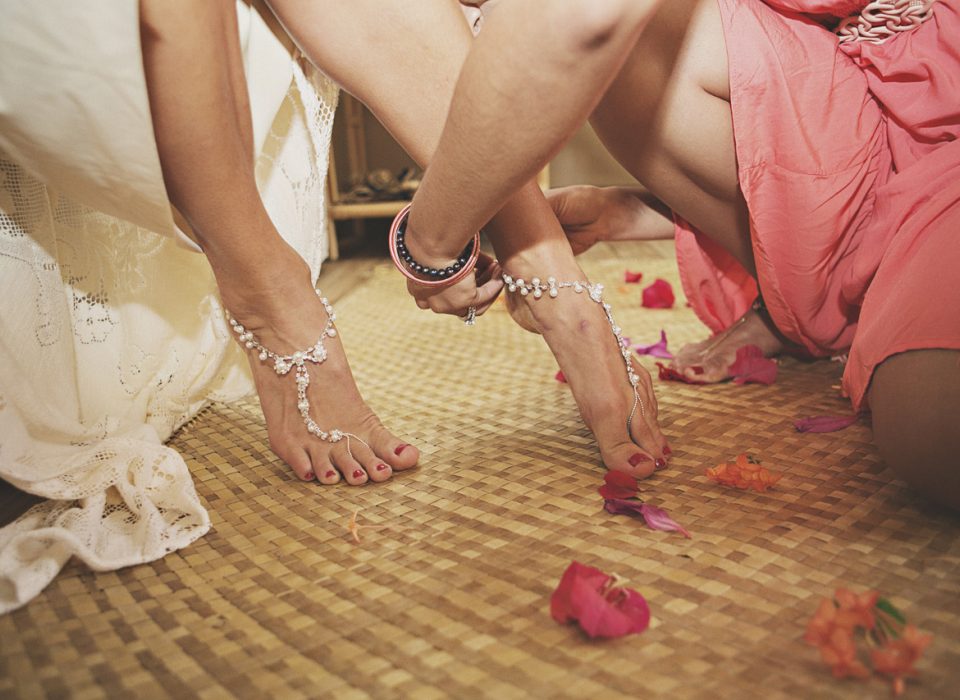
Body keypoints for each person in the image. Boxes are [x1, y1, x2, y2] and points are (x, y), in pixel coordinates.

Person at [390, 0, 960, 509]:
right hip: (858, 74)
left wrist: (429, 242)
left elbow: (581, 12)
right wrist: (617, 212)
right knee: (636, 35)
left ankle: (826, 301)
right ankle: (807, 294)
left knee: (931, 431)